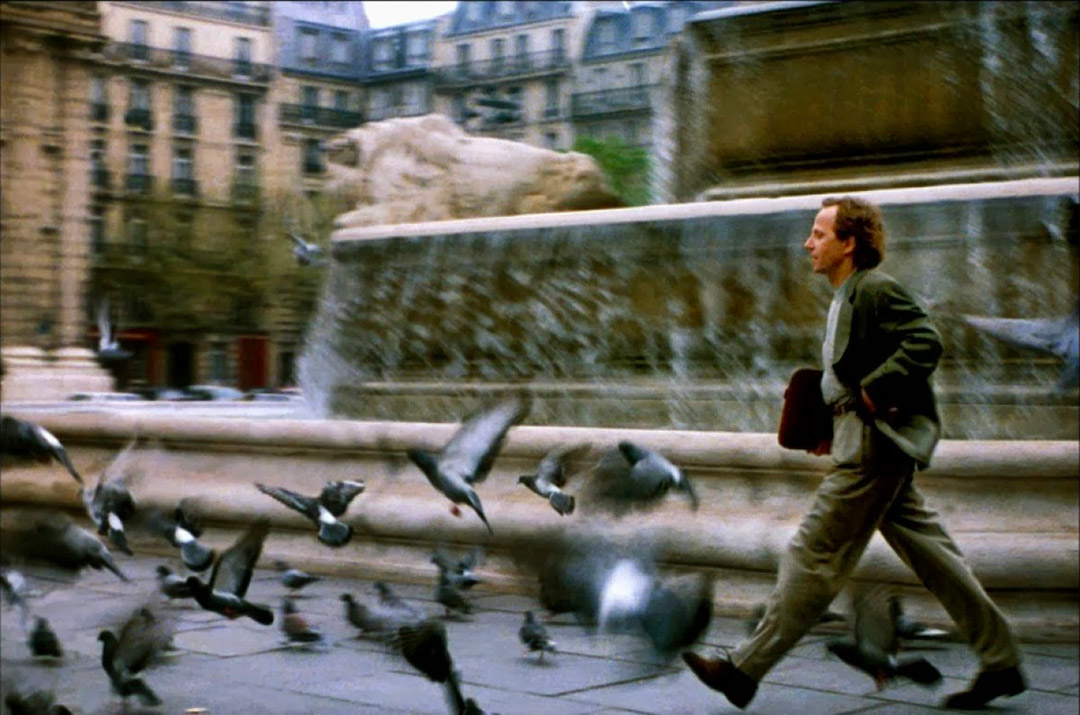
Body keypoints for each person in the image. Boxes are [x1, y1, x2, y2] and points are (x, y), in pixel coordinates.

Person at [681, 196, 1026, 710]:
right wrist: (833, 417)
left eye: (819, 235)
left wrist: (870, 395)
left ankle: (743, 669)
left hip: (872, 451)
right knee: (936, 558)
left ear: (849, 242)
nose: (808, 244)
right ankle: (1002, 662)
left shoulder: (875, 288)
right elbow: (849, 371)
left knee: (811, 553)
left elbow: (925, 341)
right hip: (866, 445)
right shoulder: (847, 295)